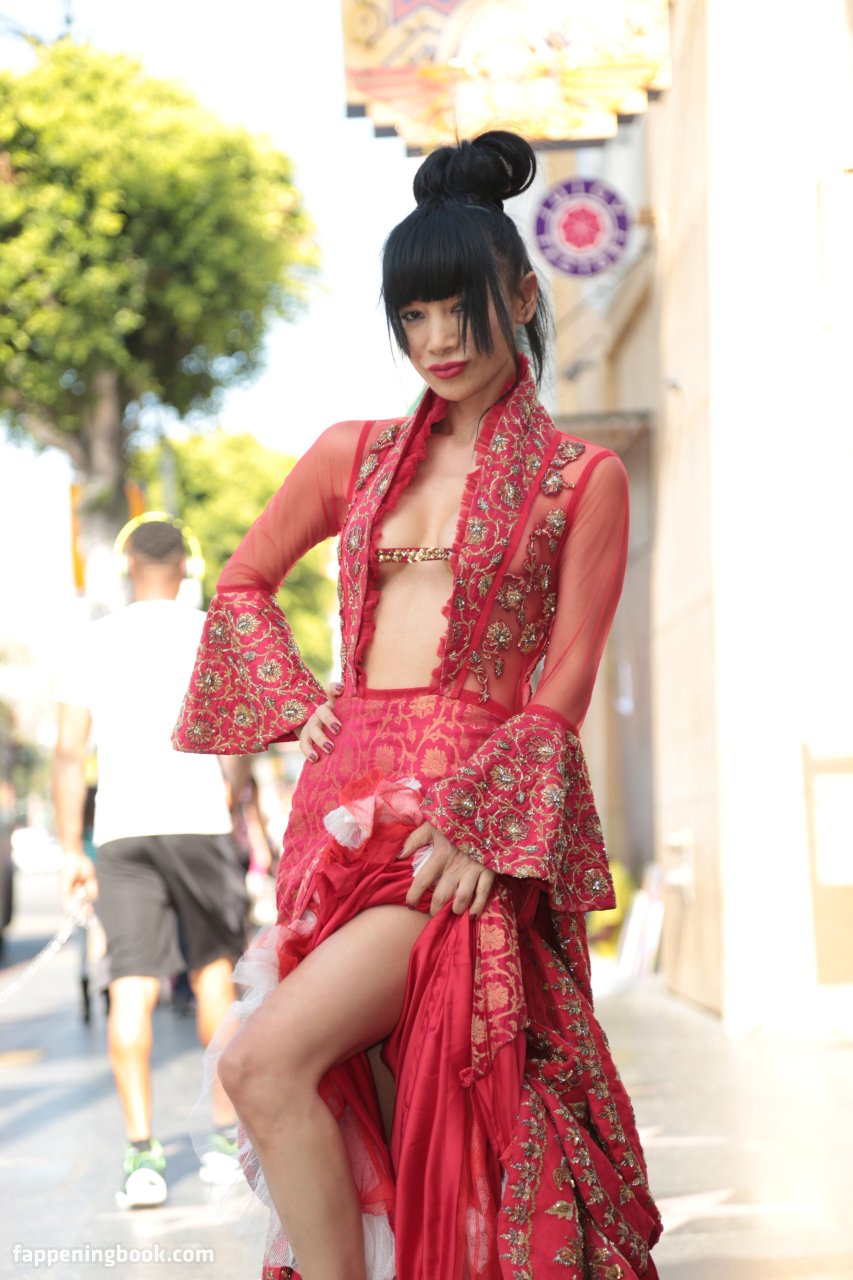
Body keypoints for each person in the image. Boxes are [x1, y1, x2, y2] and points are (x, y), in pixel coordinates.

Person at [174, 132, 662, 1279]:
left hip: (455, 833)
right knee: (381, 1106)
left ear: (523, 298)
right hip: (335, 823)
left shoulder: (580, 479)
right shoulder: (352, 455)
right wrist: (293, 699)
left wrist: (486, 832)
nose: (438, 338)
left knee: (262, 1065)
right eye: (414, 316)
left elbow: (564, 684)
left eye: (461, 308)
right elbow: (242, 582)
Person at [54, 520, 249, 1209]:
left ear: (127, 564)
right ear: (187, 565)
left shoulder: (93, 640)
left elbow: (68, 752)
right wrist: (231, 794)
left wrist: (71, 849)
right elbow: (238, 736)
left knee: (131, 984)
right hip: (200, 822)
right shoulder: (212, 633)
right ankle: (223, 1141)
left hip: (121, 830)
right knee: (214, 974)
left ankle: (142, 1156)